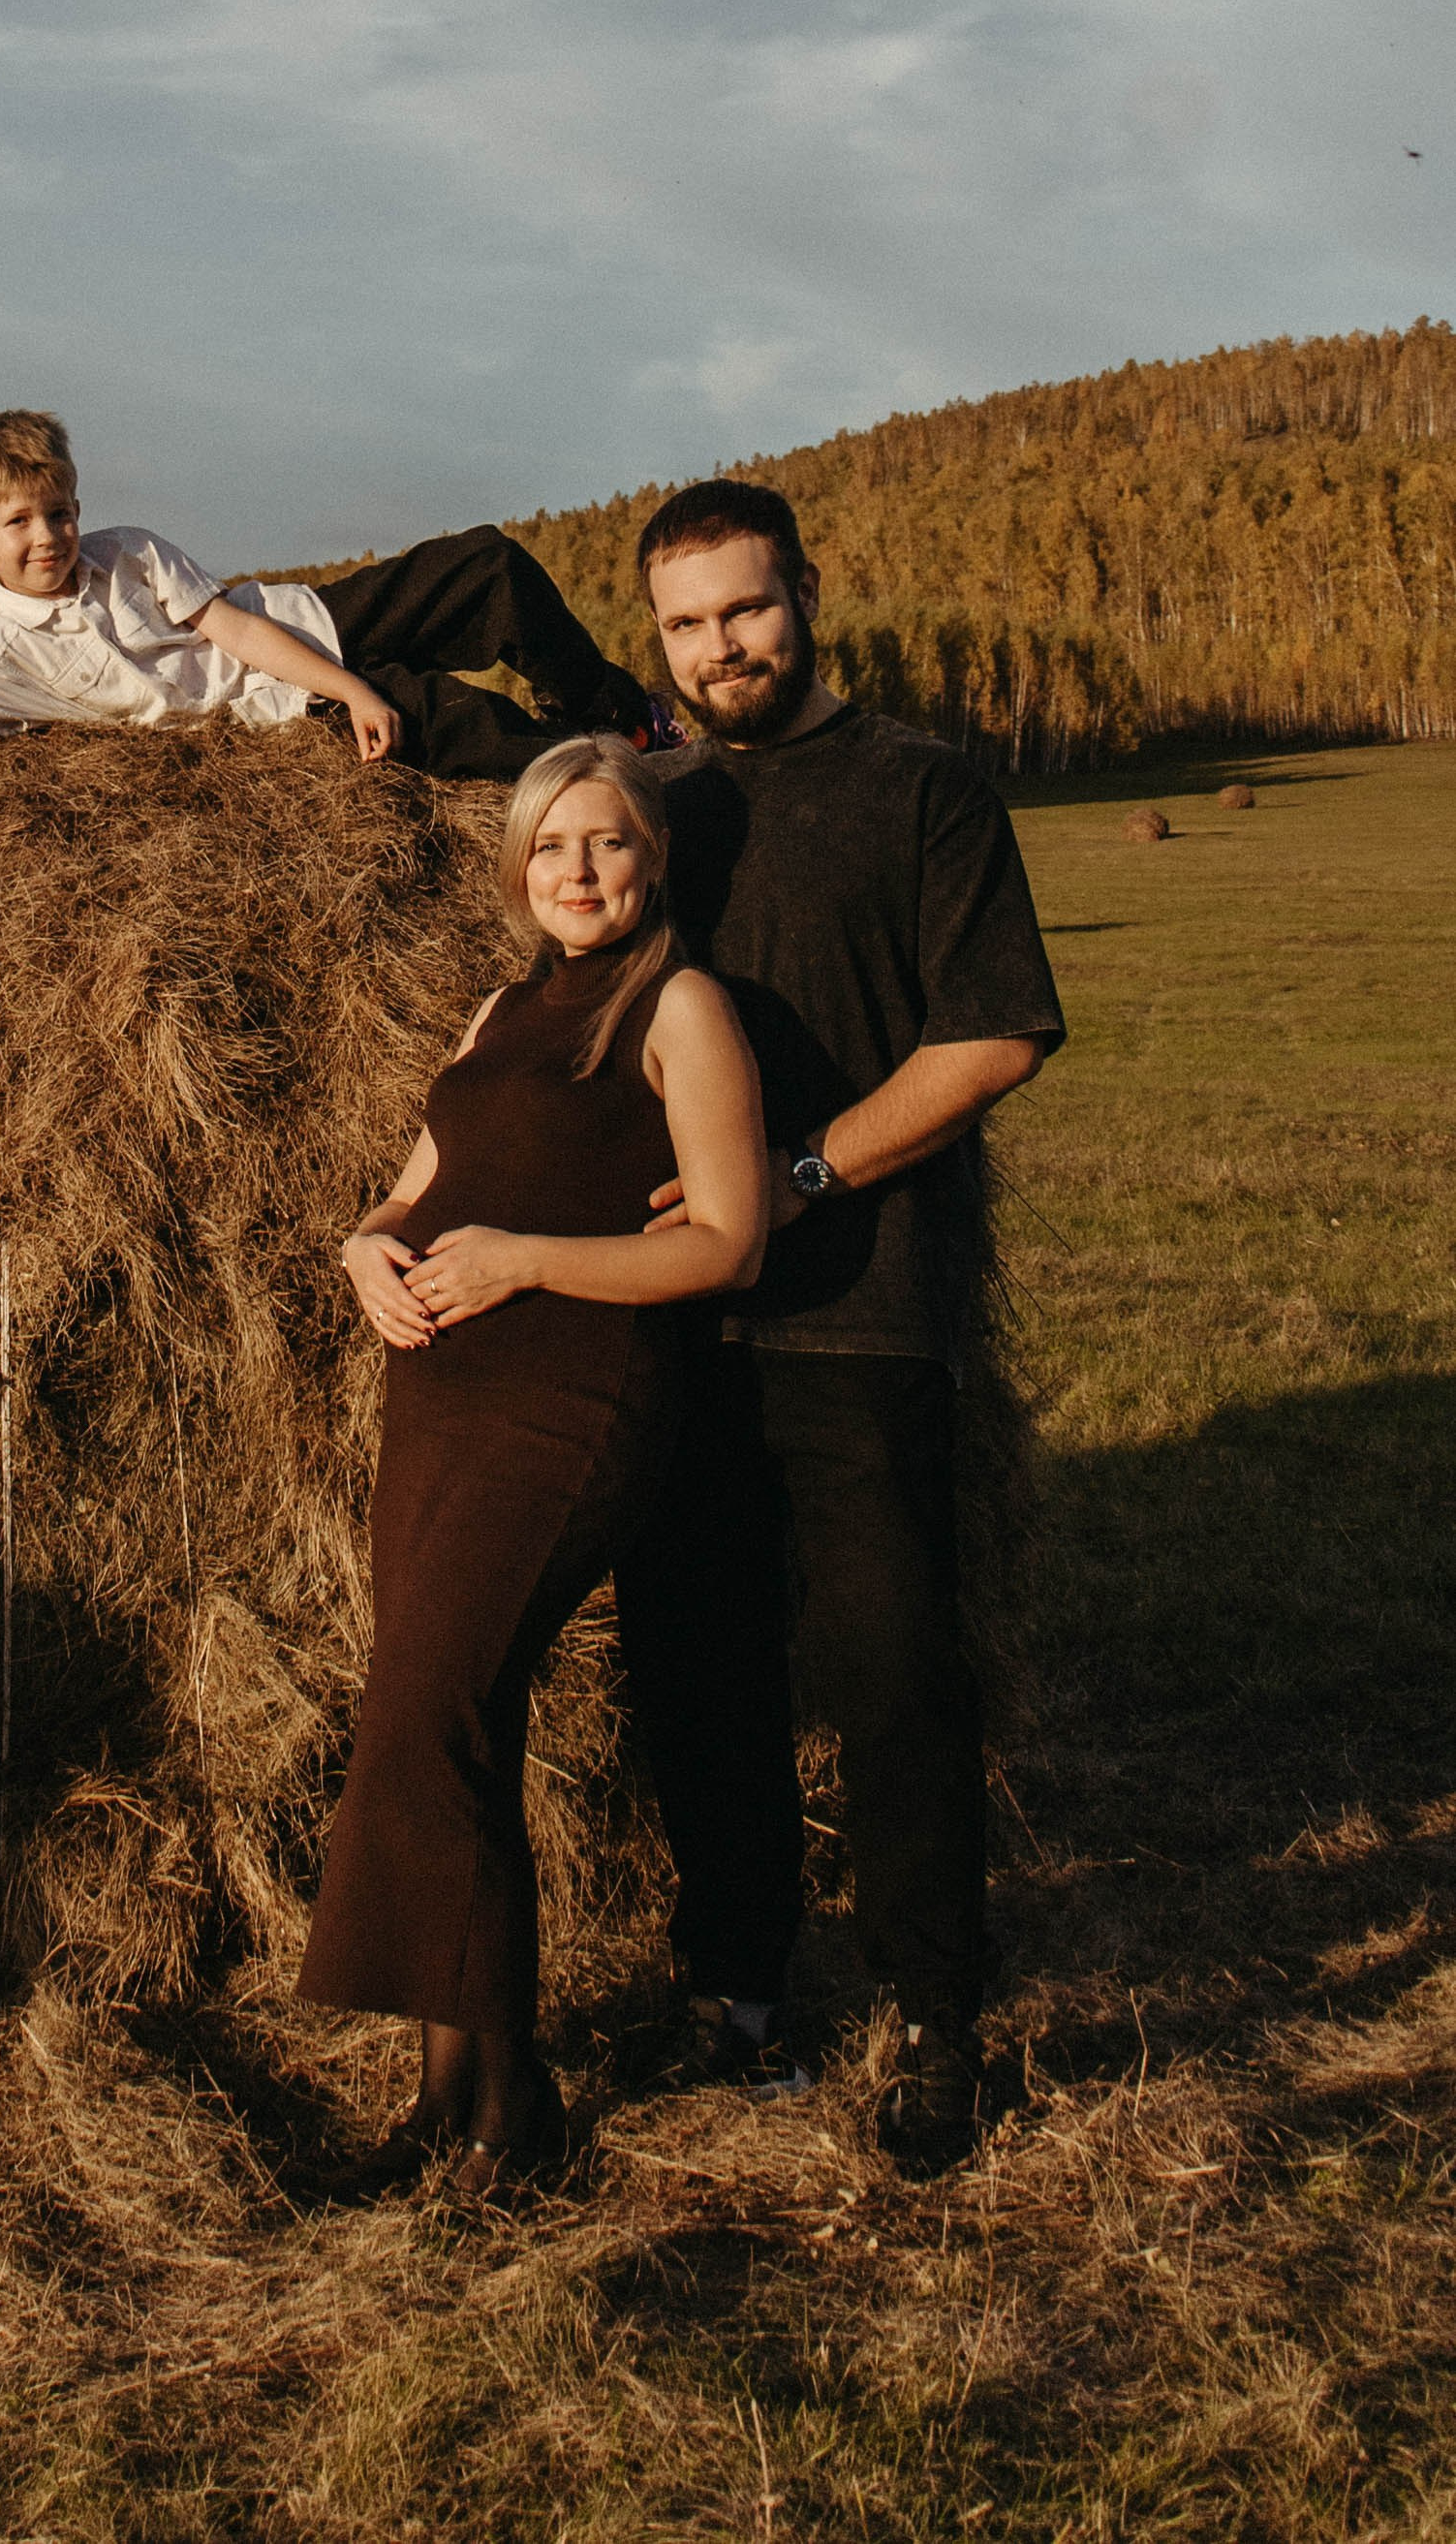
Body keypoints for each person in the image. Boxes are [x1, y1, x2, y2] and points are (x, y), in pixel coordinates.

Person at [613, 478, 1068, 2176]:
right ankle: (734, 1985)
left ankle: (927, 2020)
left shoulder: (923, 786)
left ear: (804, 591)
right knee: (697, 1673)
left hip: (860, 1309)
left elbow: (990, 1040)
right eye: (682, 625)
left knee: (890, 1676)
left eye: (742, 608)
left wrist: (798, 1175)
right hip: (674, 1327)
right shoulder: (645, 805)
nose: (719, 646)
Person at [299, 736, 768, 2198]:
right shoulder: (498, 1009)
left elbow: (722, 1241)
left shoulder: (680, 1008)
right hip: (437, 1391)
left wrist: (519, 1266)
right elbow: (419, 1186)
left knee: (429, 1704)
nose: (577, 871)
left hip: (574, 1399)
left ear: (652, 860)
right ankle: (450, 2089)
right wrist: (366, 1242)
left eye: (608, 842)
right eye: (551, 846)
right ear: (517, 867)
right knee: (448, 1719)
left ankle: (516, 2102)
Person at [0, 410, 660, 796]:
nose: (48, 536)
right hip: (277, 720)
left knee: (487, 566)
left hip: (303, 629)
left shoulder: (128, 552)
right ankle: (621, 781)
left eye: (59, 513)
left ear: (79, 509)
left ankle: (617, 717)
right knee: (455, 720)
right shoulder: (1, 654)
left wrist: (351, 682)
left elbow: (237, 628)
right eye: (19, 522)